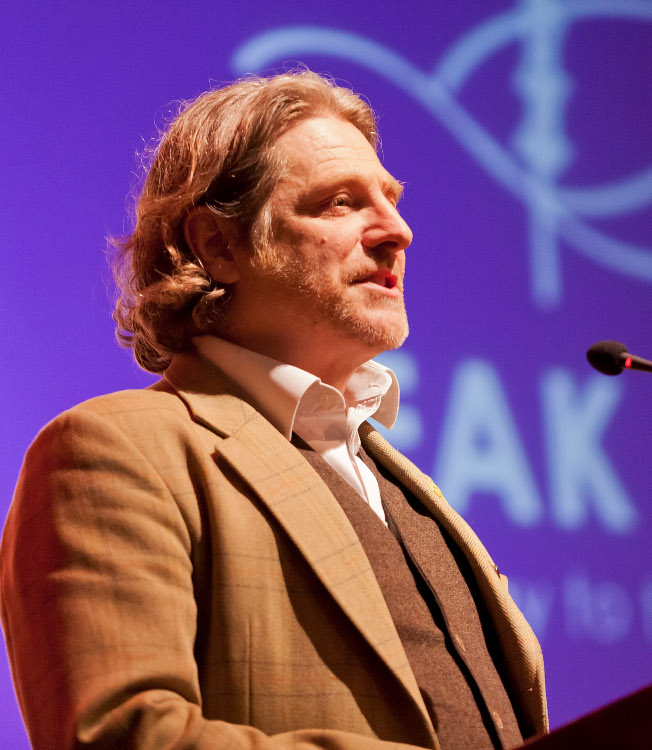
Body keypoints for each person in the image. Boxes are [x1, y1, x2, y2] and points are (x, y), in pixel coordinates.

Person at [0, 71, 547, 750]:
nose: (398, 231)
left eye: (391, 199)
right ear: (218, 246)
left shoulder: (402, 484)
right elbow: (126, 736)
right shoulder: (116, 451)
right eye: (340, 203)